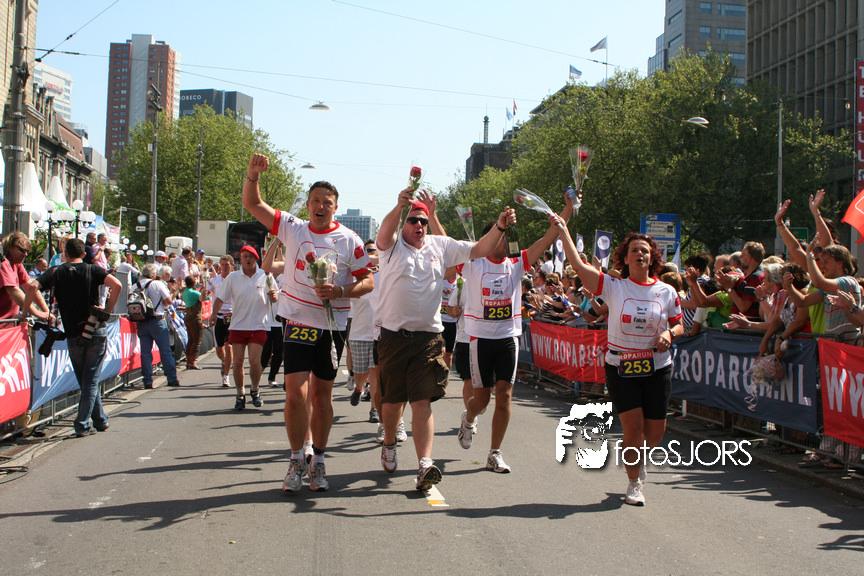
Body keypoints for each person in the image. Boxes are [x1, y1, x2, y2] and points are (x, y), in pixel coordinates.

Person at [243, 153, 374, 493]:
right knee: (294, 396)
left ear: (335, 208)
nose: (320, 206)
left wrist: (341, 290)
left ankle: (319, 459)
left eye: (326, 202)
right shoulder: (293, 227)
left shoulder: (349, 240)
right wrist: (253, 175)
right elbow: (253, 204)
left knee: (321, 396)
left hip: (331, 327)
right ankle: (295, 459)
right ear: (309, 205)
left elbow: (368, 281)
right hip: (297, 321)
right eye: (315, 200)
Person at [375, 188, 515, 491]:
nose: (419, 226)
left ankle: (424, 464)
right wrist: (398, 207)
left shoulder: (440, 245)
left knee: (421, 401)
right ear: (404, 223)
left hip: (428, 337)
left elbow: (479, 248)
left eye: (424, 221)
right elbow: (384, 232)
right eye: (413, 220)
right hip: (394, 337)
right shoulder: (392, 247)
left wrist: (500, 227)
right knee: (393, 402)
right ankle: (389, 442)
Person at [554, 220, 683, 506]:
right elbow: (579, 267)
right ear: (625, 258)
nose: (640, 254)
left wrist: (669, 334)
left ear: (652, 258)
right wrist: (563, 231)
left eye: (645, 251)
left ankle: (637, 457)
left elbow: (679, 325)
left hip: (657, 367)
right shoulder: (613, 286)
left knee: (655, 433)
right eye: (634, 250)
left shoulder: (666, 291)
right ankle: (634, 482)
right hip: (621, 366)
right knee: (633, 429)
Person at [456, 196, 572, 473]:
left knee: (505, 395)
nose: (506, 241)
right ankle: (468, 419)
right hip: (480, 339)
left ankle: (494, 453)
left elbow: (548, 237)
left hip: (508, 337)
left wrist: (568, 208)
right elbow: (446, 245)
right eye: (500, 236)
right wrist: (434, 214)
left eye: (507, 236)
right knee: (481, 400)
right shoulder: (473, 263)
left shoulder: (517, 262)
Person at [22, 238, 121, 436]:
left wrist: (26, 312)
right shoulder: (92, 269)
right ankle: (83, 423)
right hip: (95, 328)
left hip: (73, 333)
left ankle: (99, 420)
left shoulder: (55, 272)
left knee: (86, 380)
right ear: (83, 254)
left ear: (65, 254)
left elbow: (32, 287)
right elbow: (117, 285)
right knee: (90, 380)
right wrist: (107, 310)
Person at [210, 245, 277, 411]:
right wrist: (213, 315)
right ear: (240, 259)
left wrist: (274, 296)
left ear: (256, 259)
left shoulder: (265, 275)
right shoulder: (233, 277)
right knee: (238, 362)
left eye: (251, 256)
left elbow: (275, 296)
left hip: (259, 325)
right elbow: (220, 298)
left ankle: (255, 389)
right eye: (245, 256)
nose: (248, 259)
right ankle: (240, 394)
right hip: (238, 325)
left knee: (254, 362)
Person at [134, 263, 180, 389]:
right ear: (153, 274)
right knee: (165, 351)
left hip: (142, 321)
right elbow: (168, 301)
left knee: (145, 353)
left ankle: (147, 381)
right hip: (157, 320)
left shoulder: (135, 286)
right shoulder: (157, 284)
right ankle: (171, 378)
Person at [1, 232, 51, 325]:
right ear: (9, 247)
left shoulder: (17, 264)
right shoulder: (3, 263)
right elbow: (13, 291)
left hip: (8, 324)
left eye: (27, 251)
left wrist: (47, 312)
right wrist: (37, 313)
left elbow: (31, 287)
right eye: (21, 250)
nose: (25, 254)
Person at [208, 255, 235, 387]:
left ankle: (226, 375)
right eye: (222, 264)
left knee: (229, 346)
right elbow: (205, 294)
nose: (224, 267)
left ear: (232, 265)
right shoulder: (214, 280)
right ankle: (225, 362)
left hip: (232, 316)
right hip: (218, 316)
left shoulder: (237, 279)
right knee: (219, 350)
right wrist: (203, 295)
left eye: (227, 264)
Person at [181, 275, 208, 369]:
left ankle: (189, 360)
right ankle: (192, 362)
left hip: (188, 317)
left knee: (190, 340)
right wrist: (204, 293)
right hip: (195, 318)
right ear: (193, 283)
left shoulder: (185, 292)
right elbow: (204, 298)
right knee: (196, 341)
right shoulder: (194, 292)